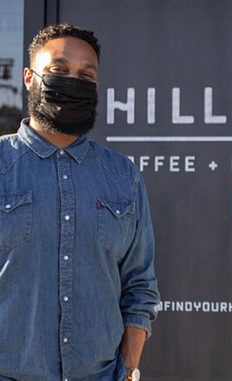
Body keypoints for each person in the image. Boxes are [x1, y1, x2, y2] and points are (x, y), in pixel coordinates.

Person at [0, 23, 159, 381]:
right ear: (29, 77)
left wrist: (129, 367)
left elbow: (139, 286)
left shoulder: (123, 175)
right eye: (58, 71)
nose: (73, 81)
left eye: (85, 75)